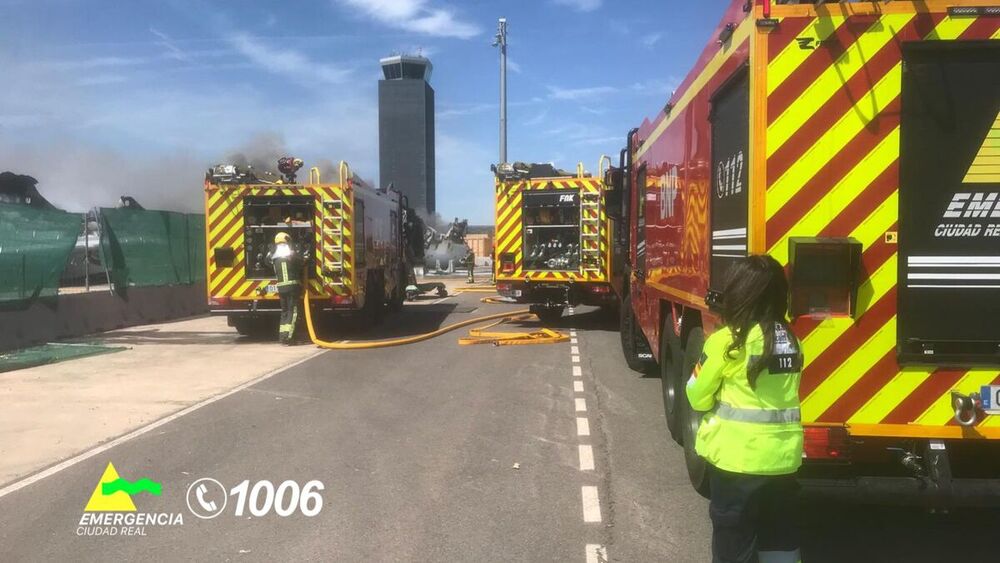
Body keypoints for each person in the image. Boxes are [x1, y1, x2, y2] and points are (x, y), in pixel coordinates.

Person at [685, 255, 803, 563]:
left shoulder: (726, 342)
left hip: (736, 464)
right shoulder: (791, 341)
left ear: (738, 293)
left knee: (734, 541)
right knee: (780, 540)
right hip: (783, 461)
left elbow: (697, 397)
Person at [269, 232, 303, 345]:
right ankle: (289, 337)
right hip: (292, 288)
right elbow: (302, 263)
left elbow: (267, 261)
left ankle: (282, 336)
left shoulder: (273, 258)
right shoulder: (292, 255)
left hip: (281, 288)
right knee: (293, 312)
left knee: (284, 312)